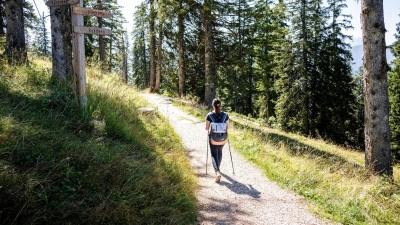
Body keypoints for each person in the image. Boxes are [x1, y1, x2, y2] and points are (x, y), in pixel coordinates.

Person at [205, 98, 230, 183]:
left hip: (213, 138)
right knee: (220, 151)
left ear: (213, 105)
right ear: (220, 105)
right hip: (223, 138)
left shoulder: (209, 115)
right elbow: (228, 127)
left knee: (214, 154)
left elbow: (207, 128)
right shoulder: (225, 115)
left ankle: (217, 171)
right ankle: (218, 168)